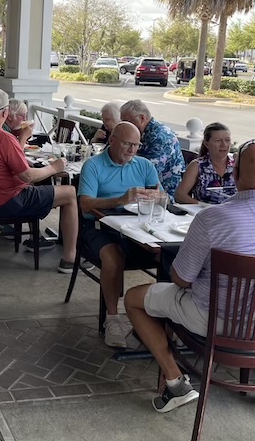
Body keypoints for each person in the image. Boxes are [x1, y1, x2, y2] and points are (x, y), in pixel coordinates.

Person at [123, 139, 255, 413]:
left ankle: (175, 382)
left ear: (235, 175)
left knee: (134, 298)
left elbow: (181, 279)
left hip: (217, 323)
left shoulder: (212, 219)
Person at [0, 88, 78, 272]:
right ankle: (70, 258)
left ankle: (39, 238)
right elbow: (27, 175)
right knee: (70, 193)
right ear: (5, 112)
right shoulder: (4, 138)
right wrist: (56, 167)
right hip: (7, 202)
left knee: (40, 183)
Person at [77, 121, 161, 348]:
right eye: (127, 144)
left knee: (171, 256)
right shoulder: (93, 166)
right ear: (112, 140)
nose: (132, 150)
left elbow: (162, 197)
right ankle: (112, 319)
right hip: (98, 227)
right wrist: (120, 200)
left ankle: (163, 322)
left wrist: (157, 199)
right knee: (113, 257)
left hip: (136, 228)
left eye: (136, 145)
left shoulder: (144, 166)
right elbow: (85, 204)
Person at [120, 100, 185, 198]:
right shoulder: (145, 131)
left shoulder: (159, 137)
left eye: (128, 122)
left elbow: (145, 174)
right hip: (144, 189)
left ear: (142, 118)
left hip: (163, 195)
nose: (125, 126)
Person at [175, 123, 235, 204]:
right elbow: (180, 195)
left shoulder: (237, 164)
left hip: (234, 213)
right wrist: (203, 206)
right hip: (207, 213)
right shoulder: (197, 166)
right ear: (206, 144)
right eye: (218, 141)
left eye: (227, 140)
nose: (224, 144)